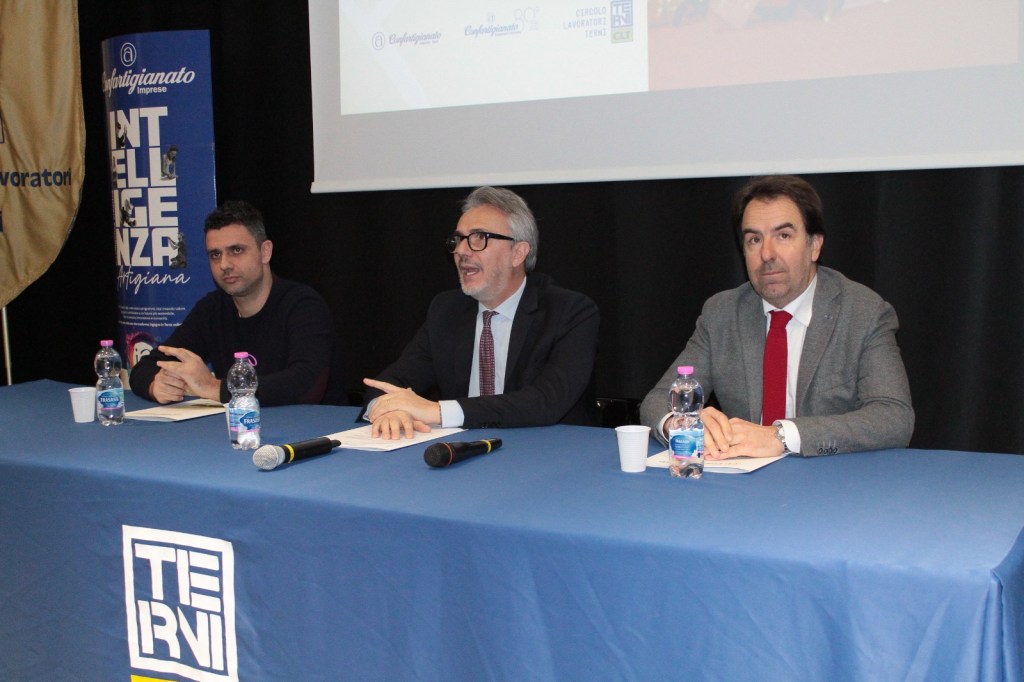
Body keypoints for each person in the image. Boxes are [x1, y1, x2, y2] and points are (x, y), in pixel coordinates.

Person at [640, 175, 914, 458]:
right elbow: (657, 401)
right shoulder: (722, 314)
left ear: (815, 246)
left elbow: (893, 418)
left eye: (783, 236)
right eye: (754, 239)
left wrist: (782, 436)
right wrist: (681, 423)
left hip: (830, 485)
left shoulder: (863, 312)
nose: (767, 254)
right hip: (739, 483)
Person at [363, 186, 599, 439]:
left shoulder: (569, 312)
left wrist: (438, 411)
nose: (461, 251)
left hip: (548, 452)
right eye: (458, 240)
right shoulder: (446, 310)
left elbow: (546, 401)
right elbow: (390, 382)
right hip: (465, 451)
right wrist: (389, 410)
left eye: (479, 238)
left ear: (518, 253)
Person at [130, 200, 346, 406]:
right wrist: (155, 385)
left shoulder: (303, 305)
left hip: (313, 433)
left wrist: (214, 388)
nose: (224, 264)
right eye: (215, 255)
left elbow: (306, 385)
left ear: (265, 252)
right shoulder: (212, 309)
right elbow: (145, 367)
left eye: (236, 250)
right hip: (240, 430)